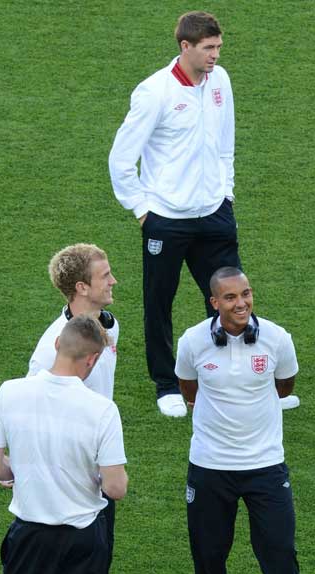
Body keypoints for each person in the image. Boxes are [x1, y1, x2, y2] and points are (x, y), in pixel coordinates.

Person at [27, 243, 149, 574]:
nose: (114, 280)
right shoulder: (51, 348)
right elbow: (31, 404)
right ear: (81, 287)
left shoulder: (106, 327)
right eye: (105, 275)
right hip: (72, 477)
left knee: (100, 562)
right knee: (74, 573)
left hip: (99, 463)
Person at [109, 10, 239, 418]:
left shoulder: (220, 81)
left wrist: (226, 192)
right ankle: (167, 382)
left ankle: (222, 374)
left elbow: (225, 143)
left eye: (218, 47)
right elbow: (121, 158)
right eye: (208, 48)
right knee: (159, 300)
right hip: (166, 218)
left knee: (227, 296)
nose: (215, 55)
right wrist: (143, 211)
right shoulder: (154, 92)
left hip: (215, 214)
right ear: (185, 47)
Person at [0, 314, 130, 574]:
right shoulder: (101, 410)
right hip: (82, 538)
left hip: (29, 535)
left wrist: (23, 470)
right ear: (93, 359)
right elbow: (115, 487)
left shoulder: (11, 391)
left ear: (56, 346)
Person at [175, 267, 304, 574]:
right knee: (209, 556)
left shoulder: (277, 339)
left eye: (246, 294)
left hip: (266, 466)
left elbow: (286, 384)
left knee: (281, 554)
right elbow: (188, 387)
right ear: (214, 302)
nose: (241, 303)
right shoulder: (193, 341)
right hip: (210, 466)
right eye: (230, 297)